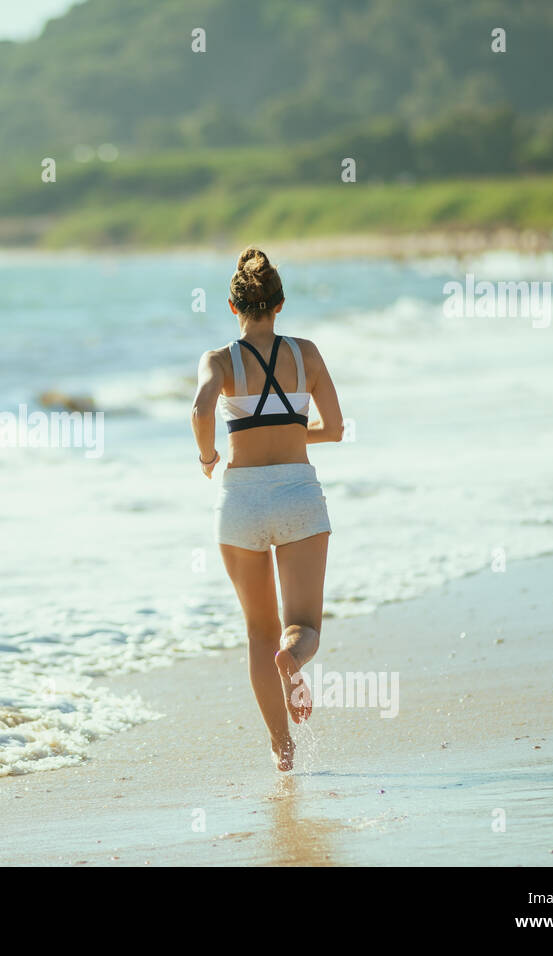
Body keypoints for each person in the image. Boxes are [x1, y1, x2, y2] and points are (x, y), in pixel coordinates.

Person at [190, 247, 344, 771]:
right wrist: (295, 434)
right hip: (298, 492)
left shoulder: (218, 360)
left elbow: (200, 408)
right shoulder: (307, 354)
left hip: (240, 502)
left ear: (234, 307)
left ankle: (282, 748)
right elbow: (337, 429)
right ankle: (294, 659)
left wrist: (209, 455)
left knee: (258, 630)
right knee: (302, 626)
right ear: (279, 304)